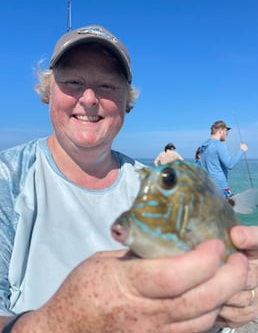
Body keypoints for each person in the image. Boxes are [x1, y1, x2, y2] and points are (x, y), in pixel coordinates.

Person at [0, 25, 257, 333]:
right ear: (49, 91)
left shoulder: (157, 184)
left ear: (126, 101)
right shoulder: (9, 177)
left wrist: (226, 300)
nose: (90, 98)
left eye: (107, 85)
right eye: (73, 82)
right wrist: (59, 321)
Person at [200, 120, 248, 198]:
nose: (227, 134)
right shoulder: (219, 144)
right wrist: (242, 150)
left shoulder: (203, 146)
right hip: (220, 187)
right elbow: (230, 164)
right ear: (220, 130)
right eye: (226, 131)